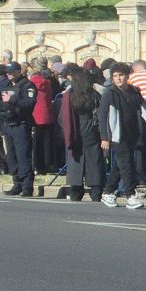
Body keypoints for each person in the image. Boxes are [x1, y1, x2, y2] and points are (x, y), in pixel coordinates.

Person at [98, 62, 146, 209]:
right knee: (127, 165)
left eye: (121, 75)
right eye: (115, 76)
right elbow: (103, 116)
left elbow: (142, 107)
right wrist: (105, 137)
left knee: (119, 166)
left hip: (131, 133)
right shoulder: (110, 93)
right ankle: (130, 195)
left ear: (127, 76)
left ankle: (108, 192)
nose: (118, 79)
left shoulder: (134, 91)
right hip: (116, 135)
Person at [0, 61, 37, 196]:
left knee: (23, 156)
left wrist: (12, 100)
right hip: (8, 125)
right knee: (11, 156)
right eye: (7, 72)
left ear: (18, 72)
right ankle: (16, 183)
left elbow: (29, 103)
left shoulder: (27, 85)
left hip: (21, 125)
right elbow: (0, 105)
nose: (9, 74)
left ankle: (27, 186)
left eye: (11, 72)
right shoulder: (5, 85)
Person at [59, 64, 103, 202]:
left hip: (75, 125)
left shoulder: (70, 94)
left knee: (75, 157)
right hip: (91, 126)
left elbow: (63, 116)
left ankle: (76, 190)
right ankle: (96, 190)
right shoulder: (93, 92)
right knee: (94, 157)